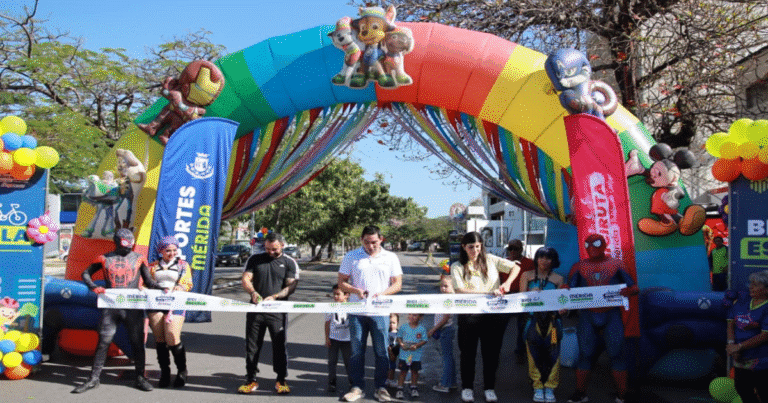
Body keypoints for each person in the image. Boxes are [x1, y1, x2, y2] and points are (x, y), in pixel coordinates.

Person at [72, 229, 162, 393]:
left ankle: (140, 378)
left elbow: (148, 281)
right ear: (116, 241)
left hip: (132, 308)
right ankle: (93, 379)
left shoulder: (139, 258)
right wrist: (93, 287)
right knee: (103, 341)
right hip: (111, 307)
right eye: (124, 245)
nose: (127, 249)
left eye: (130, 245)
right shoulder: (104, 258)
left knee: (137, 342)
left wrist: (164, 289)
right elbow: (86, 273)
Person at [566, 234, 638, 403]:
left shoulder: (616, 264)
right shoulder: (579, 266)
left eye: (596, 243)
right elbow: (570, 290)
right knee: (585, 354)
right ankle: (580, 392)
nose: (591, 247)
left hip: (611, 313)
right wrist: (565, 289)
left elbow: (634, 287)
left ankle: (622, 394)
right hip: (588, 314)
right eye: (588, 244)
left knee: (617, 354)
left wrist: (629, 291)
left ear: (604, 245)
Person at [451, 231, 520, 403]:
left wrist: (507, 283)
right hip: (469, 316)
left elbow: (515, 267)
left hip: (493, 315)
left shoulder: (491, 259)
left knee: (492, 354)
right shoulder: (457, 266)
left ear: (481, 245)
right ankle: (467, 387)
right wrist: (488, 292)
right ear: (463, 247)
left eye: (477, 246)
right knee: (468, 354)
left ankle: (489, 387)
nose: (474, 250)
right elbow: (459, 290)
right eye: (470, 247)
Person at [338, 225, 403, 402]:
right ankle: (357, 387)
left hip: (380, 312)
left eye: (374, 242)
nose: (370, 246)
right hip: (357, 312)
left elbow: (397, 284)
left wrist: (383, 294)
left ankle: (381, 388)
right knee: (357, 352)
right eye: (366, 242)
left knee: (382, 351)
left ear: (381, 239)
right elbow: (341, 282)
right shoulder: (351, 256)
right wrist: (355, 290)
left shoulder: (390, 257)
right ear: (361, 240)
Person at [238, 232, 299, 395]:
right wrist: (252, 292)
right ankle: (250, 379)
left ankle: (281, 380)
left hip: (277, 311)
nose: (270, 252)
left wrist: (277, 296)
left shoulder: (289, 262)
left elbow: (291, 286)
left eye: (274, 249)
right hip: (255, 311)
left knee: (279, 346)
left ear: (282, 246)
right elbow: (245, 279)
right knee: (252, 346)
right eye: (267, 249)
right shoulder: (255, 259)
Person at [519, 247, 566, 403]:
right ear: (536, 259)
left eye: (548, 258)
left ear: (553, 261)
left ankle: (550, 387)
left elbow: (563, 303)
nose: (544, 261)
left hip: (553, 324)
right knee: (533, 355)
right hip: (533, 323)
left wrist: (564, 309)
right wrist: (529, 293)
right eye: (541, 257)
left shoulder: (559, 279)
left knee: (553, 354)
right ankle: (537, 386)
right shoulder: (527, 276)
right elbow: (520, 301)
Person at [147, 236, 193, 388]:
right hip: (156, 303)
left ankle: (182, 371)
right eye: (168, 251)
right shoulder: (152, 266)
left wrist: (181, 287)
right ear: (161, 251)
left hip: (176, 303)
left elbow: (187, 282)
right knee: (160, 339)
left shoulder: (182, 265)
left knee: (172, 336)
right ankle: (165, 372)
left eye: (174, 250)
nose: (172, 253)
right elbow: (146, 283)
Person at [725, 270, 768, 403]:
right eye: (751, 284)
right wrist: (732, 344)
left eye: (755, 285)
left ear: (766, 289)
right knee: (742, 389)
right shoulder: (743, 301)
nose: (750, 287)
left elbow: (765, 336)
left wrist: (739, 347)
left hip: (761, 360)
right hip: (740, 357)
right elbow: (731, 323)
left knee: (764, 392)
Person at [504, 239, 535, 365]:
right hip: (506, 297)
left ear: (521, 249)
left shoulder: (530, 263)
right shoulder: (503, 262)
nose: (512, 251)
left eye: (515, 248)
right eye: (510, 248)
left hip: (522, 297)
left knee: (523, 326)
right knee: (498, 326)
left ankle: (520, 352)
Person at [429, 275, 457, 393]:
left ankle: (445, 384)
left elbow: (445, 318)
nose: (443, 288)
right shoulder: (445, 298)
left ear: (453, 287)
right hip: (446, 329)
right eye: (441, 286)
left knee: (446, 358)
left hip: (446, 329)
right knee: (448, 357)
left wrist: (433, 329)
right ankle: (452, 382)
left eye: (446, 286)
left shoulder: (448, 299)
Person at [395, 314, 428, 399]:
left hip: (415, 356)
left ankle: (414, 387)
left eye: (415, 315)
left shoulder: (422, 329)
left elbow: (424, 340)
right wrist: (401, 343)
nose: (411, 317)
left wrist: (417, 345)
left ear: (420, 317)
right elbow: (399, 337)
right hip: (404, 355)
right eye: (410, 314)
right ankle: (400, 388)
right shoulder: (403, 327)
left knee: (414, 372)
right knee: (403, 372)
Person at [326, 284, 352, 393]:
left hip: (347, 340)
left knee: (348, 362)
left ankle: (352, 381)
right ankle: (332, 381)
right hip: (334, 338)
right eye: (334, 294)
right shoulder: (330, 307)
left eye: (338, 294)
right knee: (332, 361)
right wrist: (327, 337)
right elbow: (327, 323)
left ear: (346, 295)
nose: (335, 296)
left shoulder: (352, 307)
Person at [386, 313, 400, 388]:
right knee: (388, 366)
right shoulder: (386, 332)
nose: (391, 324)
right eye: (390, 322)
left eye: (393, 323)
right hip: (388, 351)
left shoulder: (398, 333)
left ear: (397, 323)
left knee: (393, 366)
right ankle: (388, 379)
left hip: (395, 352)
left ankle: (390, 379)